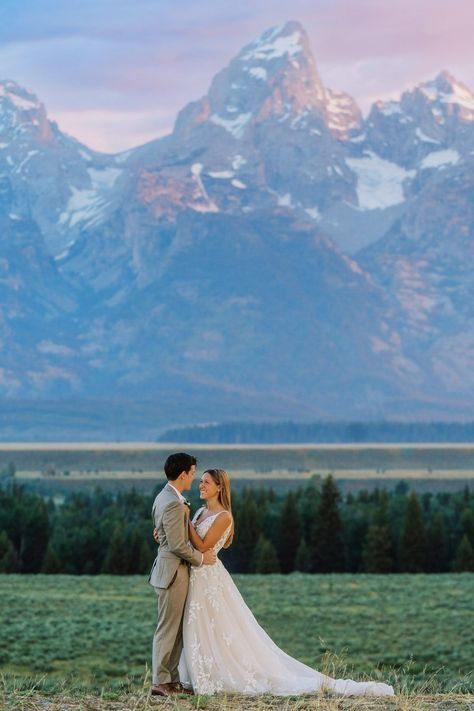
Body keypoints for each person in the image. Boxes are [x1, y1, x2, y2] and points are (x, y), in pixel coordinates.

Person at [173, 468, 395, 697]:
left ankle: (220, 676)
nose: (201, 485)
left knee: (218, 627)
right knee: (200, 626)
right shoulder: (199, 512)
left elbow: (202, 545)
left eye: (207, 482)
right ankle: (194, 675)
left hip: (209, 579)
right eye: (200, 481)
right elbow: (186, 540)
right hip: (195, 576)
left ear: (220, 487)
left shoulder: (224, 517)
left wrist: (184, 517)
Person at [148, 452, 217, 698]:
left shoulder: (165, 496)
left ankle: (170, 680)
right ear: (183, 474)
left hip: (170, 570)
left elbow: (164, 533)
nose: (194, 478)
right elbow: (177, 545)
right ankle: (160, 681)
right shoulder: (173, 502)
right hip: (173, 573)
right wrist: (201, 559)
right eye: (192, 473)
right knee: (168, 628)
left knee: (175, 628)